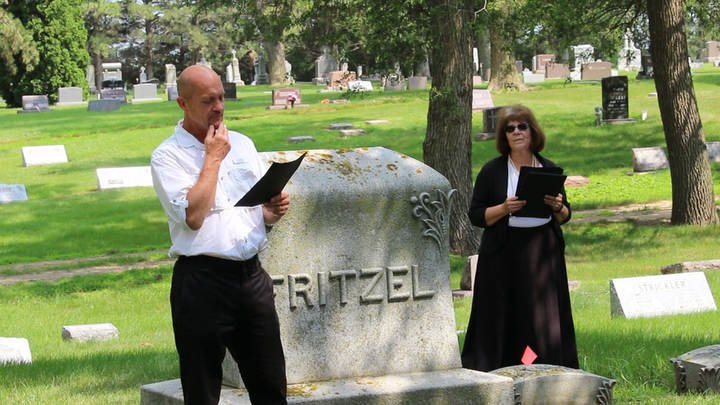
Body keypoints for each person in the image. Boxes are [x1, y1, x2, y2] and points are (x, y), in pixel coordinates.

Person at [150, 65, 289, 405]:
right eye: (207, 100)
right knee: (203, 392)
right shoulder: (167, 156)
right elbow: (194, 217)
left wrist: (269, 214)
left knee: (271, 386)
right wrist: (212, 158)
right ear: (183, 103)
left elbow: (250, 211)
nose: (219, 108)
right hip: (202, 284)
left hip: (252, 278)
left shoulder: (242, 144)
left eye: (221, 98)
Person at [461, 104, 579, 372]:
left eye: (522, 126)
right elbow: (476, 215)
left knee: (540, 314)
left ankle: (546, 365)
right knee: (504, 311)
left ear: (533, 131)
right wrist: (504, 208)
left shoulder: (548, 168)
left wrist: (557, 206)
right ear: (504, 136)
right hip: (503, 251)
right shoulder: (492, 171)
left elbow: (565, 215)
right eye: (509, 128)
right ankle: (498, 366)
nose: (516, 132)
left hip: (542, 251)